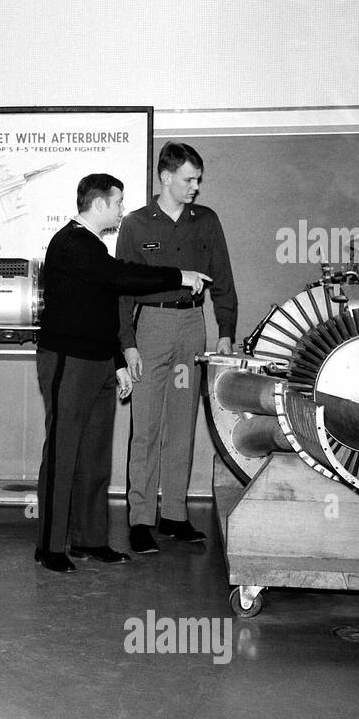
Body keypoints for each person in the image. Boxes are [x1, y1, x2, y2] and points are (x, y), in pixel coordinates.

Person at [34, 174, 211, 573]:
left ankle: (90, 540)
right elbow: (120, 277)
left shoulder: (94, 246)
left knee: (95, 456)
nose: (121, 209)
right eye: (117, 203)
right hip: (67, 360)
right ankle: (50, 546)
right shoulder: (70, 243)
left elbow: (104, 307)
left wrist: (116, 362)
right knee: (64, 453)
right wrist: (178, 275)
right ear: (99, 205)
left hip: (97, 362)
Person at [116, 142, 238, 555]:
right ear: (165, 178)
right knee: (145, 427)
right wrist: (127, 345)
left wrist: (224, 330)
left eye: (198, 179)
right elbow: (122, 292)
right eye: (189, 179)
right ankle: (139, 519)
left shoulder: (206, 221)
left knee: (182, 423)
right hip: (150, 326)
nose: (196, 187)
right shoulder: (135, 225)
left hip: (191, 325)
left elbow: (223, 276)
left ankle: (174, 515)